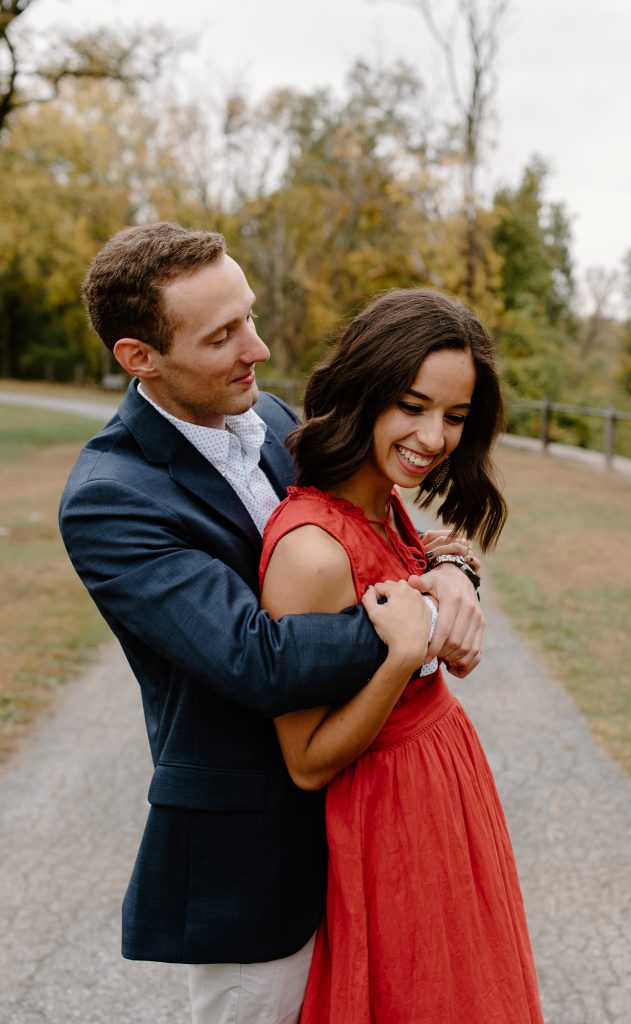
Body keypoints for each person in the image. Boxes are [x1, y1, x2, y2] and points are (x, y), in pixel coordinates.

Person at [58, 222, 485, 1024]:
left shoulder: (273, 420)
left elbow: (382, 532)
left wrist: (451, 568)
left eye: (248, 316)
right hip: (251, 855)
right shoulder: (111, 499)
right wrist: (423, 617)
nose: (256, 347)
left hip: (369, 823)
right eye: (222, 335)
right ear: (137, 357)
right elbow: (258, 661)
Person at [259, 288, 544, 1023]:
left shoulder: (383, 501)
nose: (434, 436)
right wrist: (399, 659)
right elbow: (307, 759)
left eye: (454, 416)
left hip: (445, 794)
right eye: (412, 406)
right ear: (363, 391)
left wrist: (455, 567)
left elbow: (428, 561)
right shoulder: (312, 552)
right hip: (388, 822)